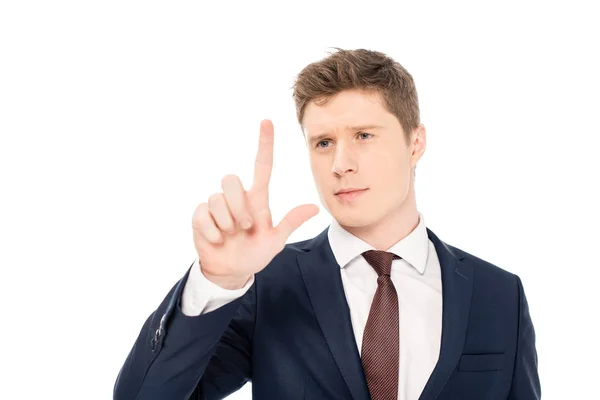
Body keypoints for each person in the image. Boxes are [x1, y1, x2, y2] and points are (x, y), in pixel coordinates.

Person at [113, 48, 541, 400]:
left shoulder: (499, 295)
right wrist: (217, 280)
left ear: (416, 142)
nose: (340, 165)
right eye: (323, 143)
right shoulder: (267, 284)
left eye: (364, 136)